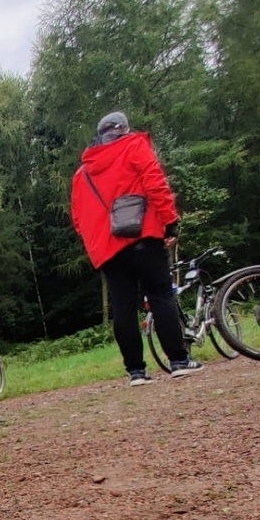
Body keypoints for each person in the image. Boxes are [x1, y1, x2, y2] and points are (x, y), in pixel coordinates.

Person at [70, 112, 198, 386]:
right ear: (124, 130)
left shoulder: (82, 174)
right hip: (143, 234)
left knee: (123, 307)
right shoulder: (134, 147)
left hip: (108, 249)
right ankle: (178, 361)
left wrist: (98, 242)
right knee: (160, 295)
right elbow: (155, 183)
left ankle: (136, 372)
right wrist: (169, 221)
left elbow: (79, 220)